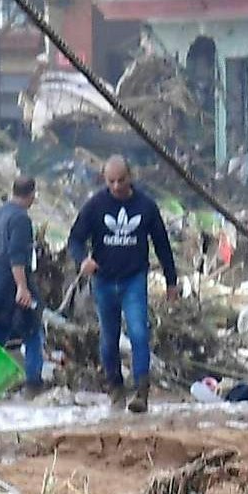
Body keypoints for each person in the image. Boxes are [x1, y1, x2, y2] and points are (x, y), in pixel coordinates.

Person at [66, 157, 181, 413]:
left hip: (134, 279)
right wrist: (82, 259)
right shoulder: (96, 205)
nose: (117, 186)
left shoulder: (146, 206)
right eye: (111, 181)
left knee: (139, 332)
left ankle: (141, 390)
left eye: (121, 180)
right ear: (105, 180)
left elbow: (162, 244)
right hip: (103, 280)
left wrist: (171, 281)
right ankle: (115, 388)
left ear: (131, 176)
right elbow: (74, 239)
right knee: (109, 338)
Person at [0, 174, 48, 393]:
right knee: (32, 330)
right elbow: (17, 256)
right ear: (32, 195)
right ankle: (33, 382)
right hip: (13, 279)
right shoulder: (21, 219)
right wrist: (22, 287)